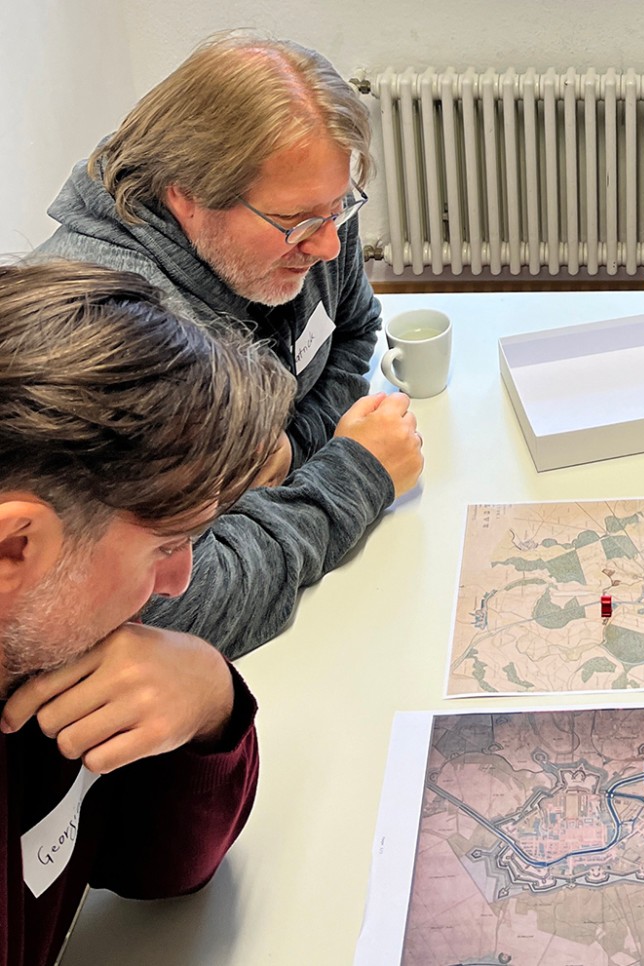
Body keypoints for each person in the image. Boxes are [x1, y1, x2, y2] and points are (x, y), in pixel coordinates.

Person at [36, 32, 423, 657]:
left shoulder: (312, 217)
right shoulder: (115, 341)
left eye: (339, 210)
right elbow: (175, 611)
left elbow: (352, 332)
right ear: (185, 195)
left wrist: (291, 448)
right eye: (298, 221)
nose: (327, 245)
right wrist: (356, 472)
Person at [0, 260, 296, 964]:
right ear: (16, 546)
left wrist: (209, 707)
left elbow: (155, 870)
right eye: (167, 544)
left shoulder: (42, 646)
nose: (177, 581)